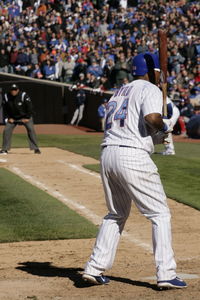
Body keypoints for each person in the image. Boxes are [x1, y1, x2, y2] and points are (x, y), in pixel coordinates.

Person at [82, 52, 187, 289]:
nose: (163, 74)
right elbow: (152, 118)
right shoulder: (150, 89)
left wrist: (159, 133)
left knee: (116, 214)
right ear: (153, 72)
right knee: (159, 213)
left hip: (108, 153)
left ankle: (94, 267)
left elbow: (142, 128)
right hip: (132, 155)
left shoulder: (120, 91)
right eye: (161, 70)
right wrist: (166, 125)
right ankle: (166, 273)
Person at [0, 84, 41, 155]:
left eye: (15, 90)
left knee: (31, 129)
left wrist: (27, 118)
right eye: (12, 90)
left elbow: (30, 107)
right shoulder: (6, 96)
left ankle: (36, 148)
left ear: (18, 90)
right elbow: (5, 108)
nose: (13, 91)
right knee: (6, 130)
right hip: (13, 118)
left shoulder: (23, 95)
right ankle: (4, 149)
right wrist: (8, 118)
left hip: (25, 117)